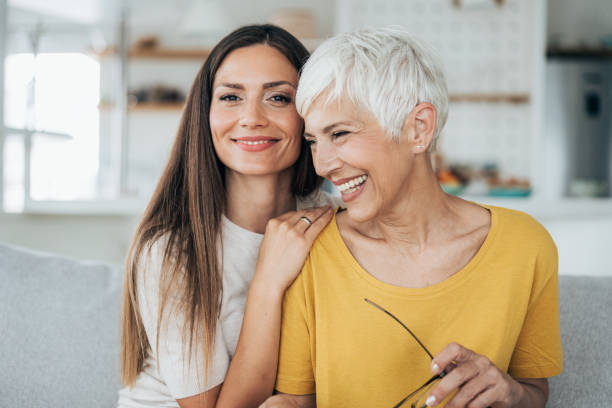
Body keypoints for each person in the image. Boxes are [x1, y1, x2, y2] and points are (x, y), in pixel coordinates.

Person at [261, 28, 563, 408]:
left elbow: (535, 392)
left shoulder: (525, 246)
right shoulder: (312, 250)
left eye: (339, 133)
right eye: (313, 141)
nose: (322, 163)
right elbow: (294, 400)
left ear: (418, 127)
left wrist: (512, 392)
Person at [118, 25, 340, 408]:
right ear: (206, 113)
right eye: (231, 96)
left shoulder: (333, 221)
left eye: (277, 98)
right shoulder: (170, 251)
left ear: (308, 114)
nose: (251, 117)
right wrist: (269, 277)